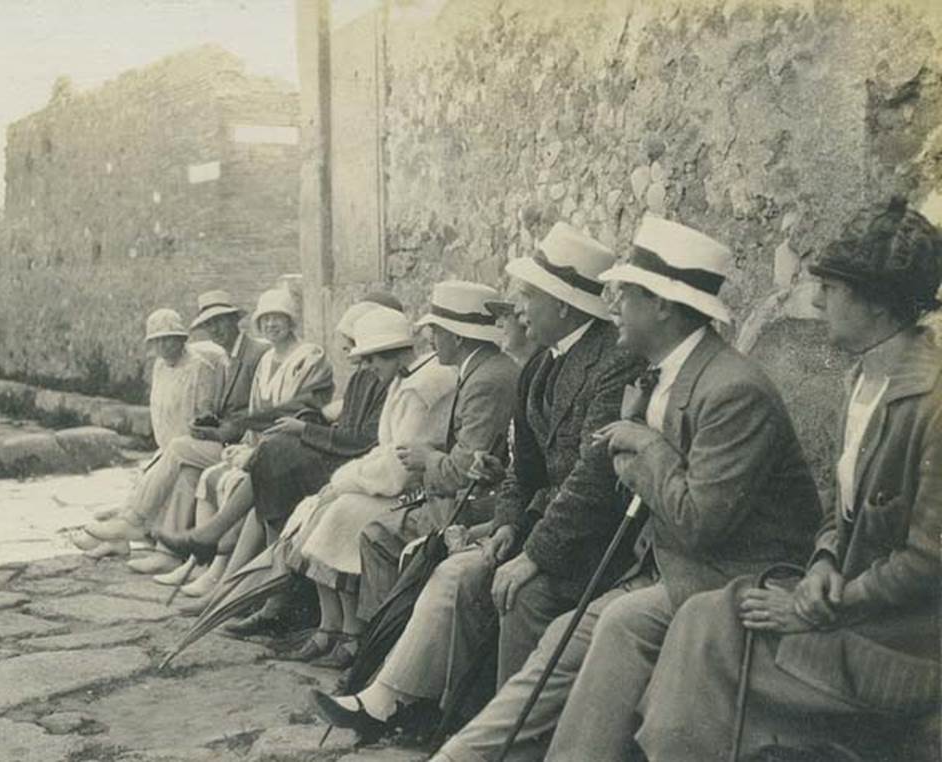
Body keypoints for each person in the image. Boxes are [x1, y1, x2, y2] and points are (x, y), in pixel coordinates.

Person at [431, 214, 822, 762]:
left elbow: (700, 520)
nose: (610, 304)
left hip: (732, 575)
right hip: (665, 566)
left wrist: (645, 445)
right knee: (560, 642)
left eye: (624, 294)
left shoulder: (733, 390)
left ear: (662, 305)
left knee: (611, 624)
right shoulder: (664, 373)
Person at [632, 198, 941, 762]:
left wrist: (822, 603)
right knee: (705, 614)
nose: (819, 300)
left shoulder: (932, 401)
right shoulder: (863, 380)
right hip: (850, 612)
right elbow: (840, 511)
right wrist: (823, 560)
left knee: (709, 646)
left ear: (876, 302)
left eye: (833, 287)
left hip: (901, 648)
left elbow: (929, 562)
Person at [311, 221, 644, 736]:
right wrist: (509, 524)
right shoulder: (541, 366)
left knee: (490, 582)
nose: (520, 307)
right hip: (543, 525)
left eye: (529, 295)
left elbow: (593, 480)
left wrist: (531, 550)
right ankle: (400, 701)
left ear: (562, 303)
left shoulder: (612, 363)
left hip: (590, 541)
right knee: (457, 572)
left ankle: (489, 729)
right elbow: (521, 472)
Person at [158, 293, 401, 622]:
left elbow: (363, 439)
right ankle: (229, 588)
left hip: (360, 467)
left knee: (272, 465)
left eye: (353, 344)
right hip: (343, 456)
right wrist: (302, 425)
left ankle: (237, 578)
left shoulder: (378, 377)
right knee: (268, 467)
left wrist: (303, 429)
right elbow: (338, 418)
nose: (349, 352)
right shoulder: (364, 375)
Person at [284, 306, 457, 667]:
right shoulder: (401, 380)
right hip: (397, 483)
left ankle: (353, 632)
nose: (369, 369)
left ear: (394, 353)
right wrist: (341, 483)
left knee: (343, 513)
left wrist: (346, 481)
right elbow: (385, 450)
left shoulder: (424, 388)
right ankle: (329, 624)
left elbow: (400, 468)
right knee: (321, 505)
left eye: (373, 360)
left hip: (421, 490)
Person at [354, 281, 520, 630]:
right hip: (466, 499)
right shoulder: (481, 370)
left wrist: (426, 459)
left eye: (436, 331)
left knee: (376, 535)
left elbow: (465, 469)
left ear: (457, 336)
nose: (431, 340)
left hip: (471, 506)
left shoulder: (485, 380)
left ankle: (383, 640)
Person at [157, 288, 333, 589]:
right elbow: (254, 408)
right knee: (211, 476)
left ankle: (224, 574)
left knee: (234, 480)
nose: (271, 325)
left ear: (291, 321)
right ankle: (203, 566)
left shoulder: (310, 356)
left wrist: (249, 437)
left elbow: (305, 409)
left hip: (292, 449)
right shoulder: (266, 362)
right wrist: (244, 444)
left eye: (278, 318)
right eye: (265, 320)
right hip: (262, 445)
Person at [80, 290, 267, 557]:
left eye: (221, 321)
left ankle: (132, 521)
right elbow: (222, 408)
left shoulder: (252, 354)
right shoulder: (227, 357)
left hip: (240, 442)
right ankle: (167, 553)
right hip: (222, 439)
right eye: (209, 324)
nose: (215, 329)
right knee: (185, 471)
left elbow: (256, 408)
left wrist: (220, 429)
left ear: (235, 320)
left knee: (178, 449)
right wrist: (212, 423)